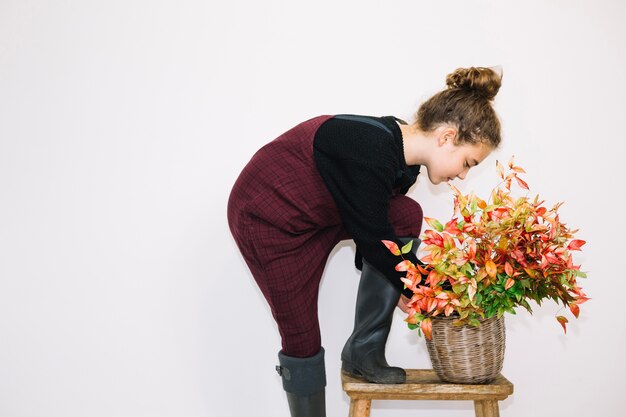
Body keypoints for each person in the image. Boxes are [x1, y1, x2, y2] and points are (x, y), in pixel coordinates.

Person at [227, 66, 503, 417]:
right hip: (269, 220)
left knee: (404, 213)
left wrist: (405, 284)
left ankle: (364, 353)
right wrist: (436, 291)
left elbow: (373, 228)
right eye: (467, 162)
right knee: (302, 338)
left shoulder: (402, 163)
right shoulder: (369, 148)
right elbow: (375, 241)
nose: (463, 174)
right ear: (447, 136)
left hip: (319, 215)